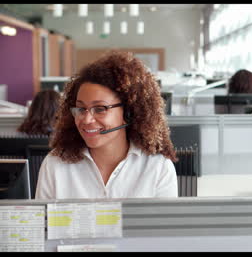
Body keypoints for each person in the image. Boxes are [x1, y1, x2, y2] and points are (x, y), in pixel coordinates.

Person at [35, 51, 178, 199]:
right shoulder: (55, 164)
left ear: (128, 113)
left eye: (99, 109)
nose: (86, 119)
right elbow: (43, 222)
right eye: (81, 108)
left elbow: (163, 222)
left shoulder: (157, 167)